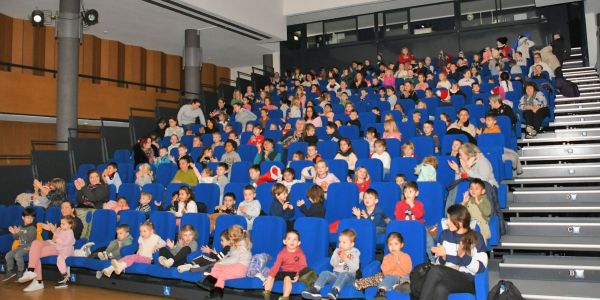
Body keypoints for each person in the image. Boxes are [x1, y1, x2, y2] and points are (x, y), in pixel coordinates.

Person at [416, 205, 488, 300]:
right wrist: (443, 257)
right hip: (446, 277)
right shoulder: (444, 235)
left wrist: (464, 258)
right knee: (439, 289)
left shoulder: (476, 238)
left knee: (435, 270)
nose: (447, 222)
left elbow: (481, 268)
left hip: (467, 280)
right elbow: (439, 263)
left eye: (450, 219)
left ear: (461, 222)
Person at [20, 215, 75, 291]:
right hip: (55, 245)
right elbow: (54, 239)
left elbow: (65, 242)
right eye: (61, 224)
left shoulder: (70, 232)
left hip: (61, 249)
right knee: (35, 244)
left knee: (35, 252)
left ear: (70, 225)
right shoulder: (60, 230)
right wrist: (55, 232)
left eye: (63, 224)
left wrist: (56, 239)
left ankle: (38, 281)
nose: (61, 225)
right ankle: (31, 271)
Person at [302, 229, 361, 300]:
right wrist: (337, 256)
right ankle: (315, 289)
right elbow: (332, 263)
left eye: (344, 242)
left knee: (344, 273)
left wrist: (346, 258)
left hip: (349, 277)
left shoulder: (355, 252)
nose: (341, 244)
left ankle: (335, 291)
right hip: (336, 276)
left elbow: (355, 267)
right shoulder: (337, 250)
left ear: (352, 244)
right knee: (325, 273)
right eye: (340, 242)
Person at [197, 225, 252, 299]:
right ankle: (215, 294)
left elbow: (233, 259)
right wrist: (221, 262)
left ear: (234, 238)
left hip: (241, 268)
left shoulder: (241, 247)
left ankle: (210, 283)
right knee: (220, 274)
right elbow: (228, 256)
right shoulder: (235, 246)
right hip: (236, 267)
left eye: (229, 237)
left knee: (219, 267)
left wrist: (222, 263)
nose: (229, 239)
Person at [353, 233, 412, 298]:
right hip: (391, 276)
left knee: (407, 277)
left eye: (396, 244)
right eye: (390, 244)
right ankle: (381, 292)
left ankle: (403, 286)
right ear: (387, 246)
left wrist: (399, 262)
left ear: (401, 245)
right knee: (387, 278)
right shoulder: (387, 257)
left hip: (403, 277)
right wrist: (393, 263)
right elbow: (385, 271)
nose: (393, 247)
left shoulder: (406, 256)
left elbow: (408, 270)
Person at [100, 221, 166, 277]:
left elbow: (164, 243)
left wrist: (157, 246)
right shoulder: (140, 238)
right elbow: (140, 247)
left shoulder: (155, 237)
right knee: (127, 257)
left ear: (151, 231)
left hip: (149, 259)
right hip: (140, 257)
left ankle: (120, 267)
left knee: (133, 257)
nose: (142, 233)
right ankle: (110, 269)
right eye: (140, 231)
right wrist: (137, 253)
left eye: (144, 231)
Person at [263, 230, 308, 300]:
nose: (292, 241)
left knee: (287, 278)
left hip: (294, 273)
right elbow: (276, 266)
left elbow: (303, 266)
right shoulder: (281, 253)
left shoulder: (300, 254)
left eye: (295, 239)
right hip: (284, 272)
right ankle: (267, 293)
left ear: (299, 243)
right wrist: (269, 277)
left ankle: (285, 297)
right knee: (272, 277)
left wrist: (298, 275)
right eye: (289, 239)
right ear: (284, 241)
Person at [3, 208, 37, 282]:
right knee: (8, 255)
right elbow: (16, 238)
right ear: (23, 217)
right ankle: (10, 270)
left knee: (18, 255)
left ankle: (20, 271)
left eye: (32, 218)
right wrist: (14, 233)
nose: (30, 220)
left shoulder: (33, 228)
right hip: (21, 246)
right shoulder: (20, 227)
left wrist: (18, 233)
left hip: (30, 246)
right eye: (28, 217)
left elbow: (28, 239)